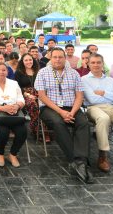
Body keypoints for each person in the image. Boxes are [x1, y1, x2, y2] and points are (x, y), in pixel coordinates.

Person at [35, 48, 92, 183]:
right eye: (55, 57)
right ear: (50, 58)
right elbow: (42, 96)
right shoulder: (42, 73)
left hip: (71, 107)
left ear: (65, 58)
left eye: (60, 57)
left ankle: (81, 160)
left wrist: (72, 112)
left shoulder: (74, 74)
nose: (57, 60)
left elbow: (79, 96)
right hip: (50, 108)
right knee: (58, 122)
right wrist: (61, 112)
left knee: (83, 122)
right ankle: (75, 160)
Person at [0, 62, 27, 167]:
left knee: (23, 131)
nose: (1, 72)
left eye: (3, 70)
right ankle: (0, 154)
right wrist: (3, 108)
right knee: (3, 131)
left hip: (13, 115)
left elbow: (21, 99)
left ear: (7, 72)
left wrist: (17, 106)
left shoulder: (14, 83)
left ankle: (12, 154)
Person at [15, 53, 42, 139]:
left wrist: (39, 94)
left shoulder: (38, 71)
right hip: (24, 94)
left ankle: (44, 130)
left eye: (30, 60)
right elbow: (17, 87)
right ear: (22, 62)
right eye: (26, 60)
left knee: (44, 105)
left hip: (39, 92)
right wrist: (27, 94)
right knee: (33, 104)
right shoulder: (19, 72)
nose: (28, 62)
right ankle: (35, 129)